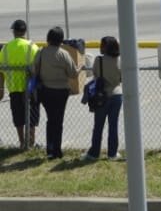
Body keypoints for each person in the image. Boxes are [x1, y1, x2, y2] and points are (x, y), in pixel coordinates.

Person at [31, 26, 79, 160]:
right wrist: (80, 67)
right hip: (61, 91)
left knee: (50, 120)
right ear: (61, 40)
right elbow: (73, 73)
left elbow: (34, 70)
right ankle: (57, 150)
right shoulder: (63, 54)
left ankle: (50, 149)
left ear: (48, 39)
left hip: (46, 90)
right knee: (58, 121)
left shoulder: (41, 52)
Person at [81, 36, 124, 161]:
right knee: (113, 125)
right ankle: (112, 153)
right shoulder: (120, 60)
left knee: (98, 125)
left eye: (102, 45)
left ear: (106, 47)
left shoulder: (99, 60)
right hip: (117, 94)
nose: (100, 47)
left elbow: (95, 74)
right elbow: (121, 77)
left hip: (102, 95)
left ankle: (94, 153)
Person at [1, 19, 40, 149]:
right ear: (25, 31)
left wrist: (1, 88)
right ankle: (31, 142)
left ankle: (22, 142)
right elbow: (38, 67)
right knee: (32, 116)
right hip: (30, 88)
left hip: (14, 88)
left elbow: (1, 71)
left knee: (18, 117)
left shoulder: (6, 48)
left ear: (14, 32)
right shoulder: (32, 47)